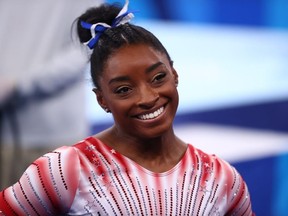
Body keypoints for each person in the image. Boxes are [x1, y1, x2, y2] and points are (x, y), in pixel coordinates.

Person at [0, 0, 254, 215]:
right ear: (102, 100)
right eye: (123, 89)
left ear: (174, 74)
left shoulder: (222, 178)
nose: (146, 97)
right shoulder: (65, 168)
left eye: (157, 78)